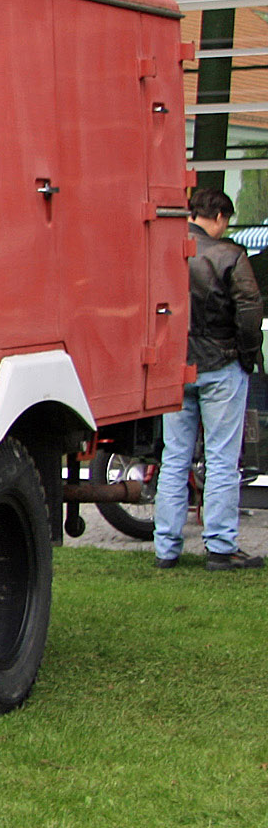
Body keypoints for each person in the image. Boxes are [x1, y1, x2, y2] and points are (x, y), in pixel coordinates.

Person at [156, 187, 265, 570]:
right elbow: (250, 312)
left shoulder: (166, 249)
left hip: (175, 365)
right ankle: (220, 546)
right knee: (221, 458)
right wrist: (248, 357)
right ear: (219, 217)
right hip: (221, 363)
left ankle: (165, 548)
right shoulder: (230, 254)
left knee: (174, 458)